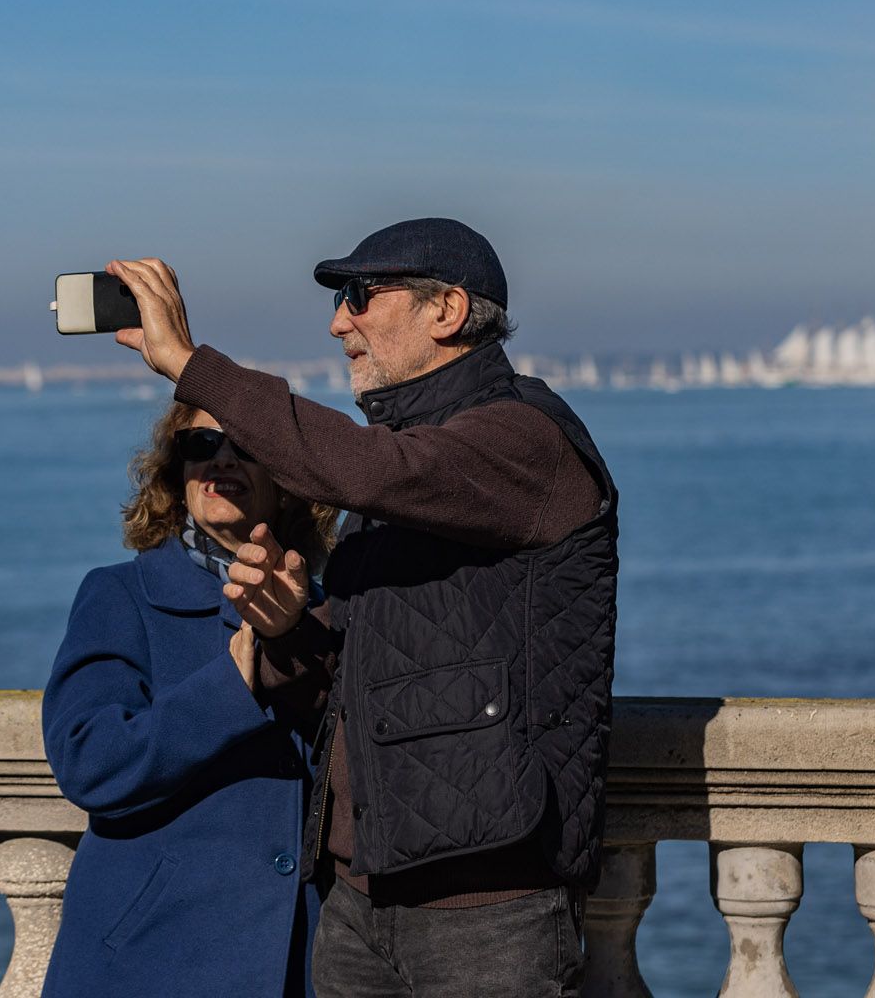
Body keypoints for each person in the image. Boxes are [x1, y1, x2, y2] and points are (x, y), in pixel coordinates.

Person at [107, 217, 618, 997]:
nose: (337, 321)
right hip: (358, 902)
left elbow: (366, 467)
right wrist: (283, 632)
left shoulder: (522, 441)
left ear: (446, 310)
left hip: (489, 915)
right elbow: (354, 676)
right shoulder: (401, 468)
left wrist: (188, 363)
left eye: (359, 296)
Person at [40, 402, 336, 998]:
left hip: (300, 963)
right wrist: (229, 689)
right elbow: (88, 761)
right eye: (200, 444)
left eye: (246, 442)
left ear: (285, 476)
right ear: (178, 473)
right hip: (153, 961)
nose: (222, 457)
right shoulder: (121, 596)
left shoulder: (330, 613)